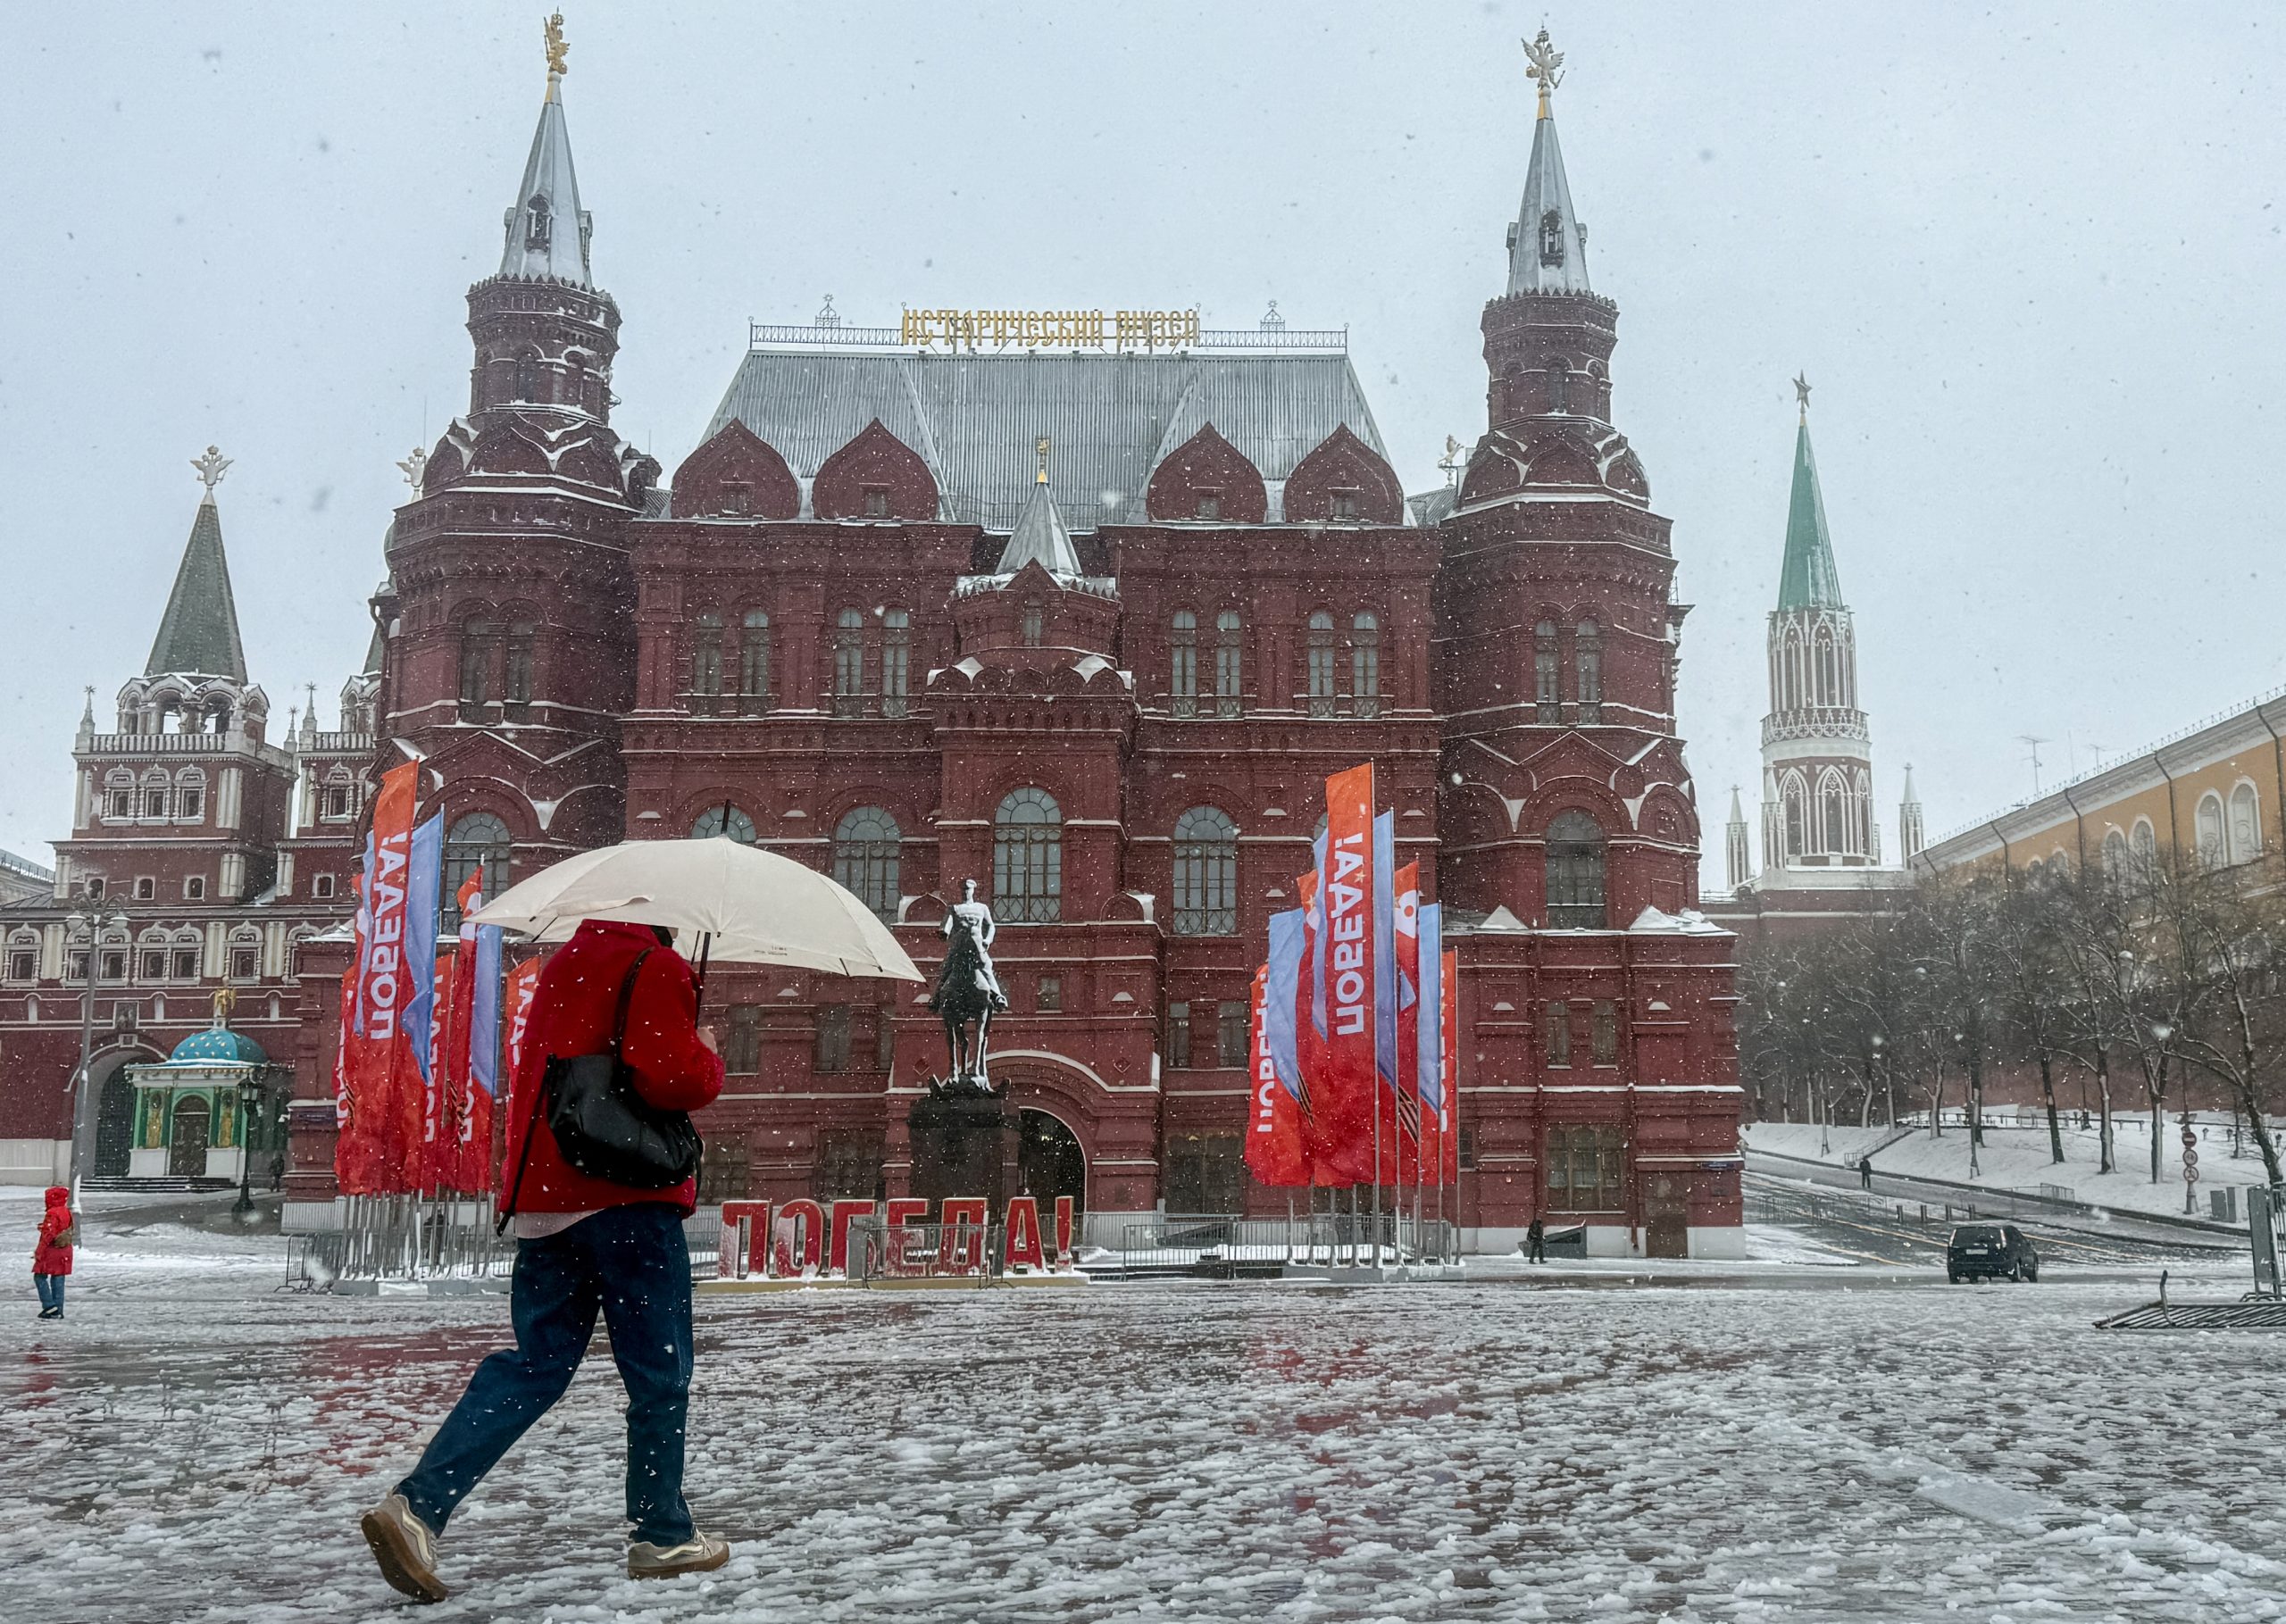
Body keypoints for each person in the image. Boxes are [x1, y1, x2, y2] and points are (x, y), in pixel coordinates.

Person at [362, 920, 728, 1604]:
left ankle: (418, 1506)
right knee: (659, 1372)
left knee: (534, 1366)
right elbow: (669, 1075)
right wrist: (706, 1055)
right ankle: (662, 1531)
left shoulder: (568, 963)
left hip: (546, 1197)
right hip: (627, 1197)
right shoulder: (658, 964)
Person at [32, 1185, 74, 1319]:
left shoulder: (52, 1213)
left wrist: (39, 1251)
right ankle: (58, 1309)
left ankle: (49, 1306)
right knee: (58, 1279)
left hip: (52, 1251)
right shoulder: (66, 1211)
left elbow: (48, 1235)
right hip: (65, 1250)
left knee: (39, 1276)